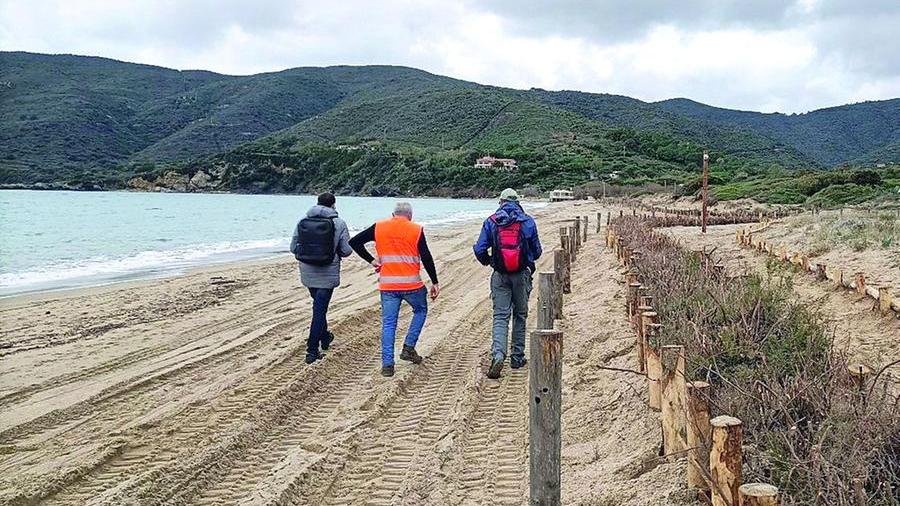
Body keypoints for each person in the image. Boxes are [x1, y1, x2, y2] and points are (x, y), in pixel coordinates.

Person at [349, 202, 440, 377]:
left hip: (388, 284)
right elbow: (426, 256)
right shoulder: (416, 229)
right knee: (420, 310)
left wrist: (372, 261)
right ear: (410, 215)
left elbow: (354, 242)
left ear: (393, 214)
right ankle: (408, 346)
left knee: (389, 323)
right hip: (412, 284)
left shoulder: (379, 227)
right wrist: (434, 281)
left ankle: (388, 365)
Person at [473, 188, 542, 379]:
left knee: (500, 316)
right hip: (521, 274)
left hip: (500, 274)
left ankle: (498, 354)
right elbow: (537, 252)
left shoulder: (492, 221)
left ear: (501, 202)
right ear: (518, 202)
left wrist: (489, 261)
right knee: (520, 315)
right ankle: (517, 357)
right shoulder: (527, 221)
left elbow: (479, 249)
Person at [289, 192, 353, 364]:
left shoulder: (303, 221)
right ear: (334, 205)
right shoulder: (338, 223)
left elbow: (293, 247)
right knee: (319, 309)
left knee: (318, 306)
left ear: (316, 203)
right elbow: (346, 251)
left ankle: (325, 337)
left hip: (307, 271)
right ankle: (311, 350)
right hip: (327, 272)